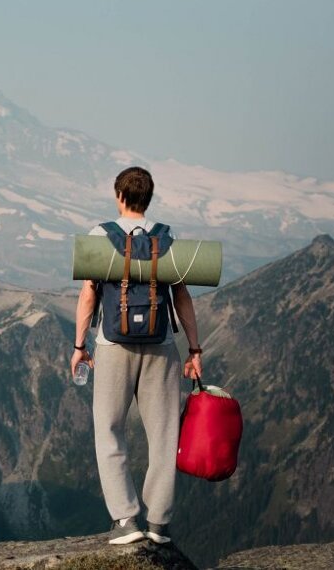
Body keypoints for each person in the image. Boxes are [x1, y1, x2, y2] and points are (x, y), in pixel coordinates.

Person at [70, 166, 203, 545]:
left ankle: (126, 520)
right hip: (161, 348)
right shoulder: (166, 236)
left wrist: (80, 346)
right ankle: (159, 523)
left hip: (113, 347)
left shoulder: (100, 236)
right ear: (148, 198)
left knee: (109, 430)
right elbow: (181, 297)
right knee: (163, 434)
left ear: (119, 196)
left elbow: (89, 294)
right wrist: (194, 349)